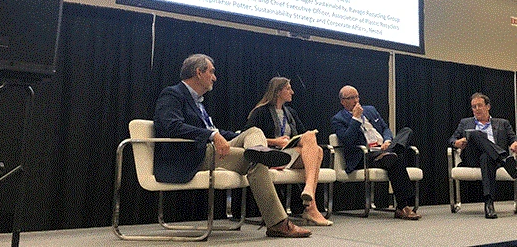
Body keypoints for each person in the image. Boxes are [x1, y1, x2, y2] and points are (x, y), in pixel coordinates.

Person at [153, 54, 311, 238]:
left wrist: (236, 136)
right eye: (211, 72)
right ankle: (277, 223)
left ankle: (259, 151)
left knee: (253, 131)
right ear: (198, 72)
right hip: (190, 156)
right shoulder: (173, 94)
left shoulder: (198, 102)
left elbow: (214, 130)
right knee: (256, 162)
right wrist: (212, 135)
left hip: (210, 150)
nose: (215, 77)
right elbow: (171, 125)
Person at [245, 77, 333, 226]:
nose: (292, 92)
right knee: (317, 151)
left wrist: (293, 141)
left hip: (288, 155)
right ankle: (311, 206)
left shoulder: (290, 112)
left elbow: (302, 135)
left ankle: (309, 192)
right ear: (278, 91)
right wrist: (276, 141)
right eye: (288, 88)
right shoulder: (260, 112)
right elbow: (247, 137)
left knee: (313, 142)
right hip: (271, 156)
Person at [331, 85, 421, 220]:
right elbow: (348, 140)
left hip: (383, 150)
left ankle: (392, 150)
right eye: (351, 98)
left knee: (406, 131)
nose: (356, 101)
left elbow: (385, 128)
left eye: (357, 97)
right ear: (343, 101)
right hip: (364, 155)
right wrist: (355, 119)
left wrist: (388, 140)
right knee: (395, 158)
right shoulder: (338, 119)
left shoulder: (370, 110)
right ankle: (403, 206)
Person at [449, 92, 517, 219]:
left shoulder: (502, 123)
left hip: (491, 160)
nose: (476, 109)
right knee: (476, 134)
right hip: (472, 158)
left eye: (479, 105)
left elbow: (515, 138)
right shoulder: (465, 122)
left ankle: (489, 203)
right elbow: (451, 139)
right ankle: (504, 159)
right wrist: (456, 143)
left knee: (486, 157)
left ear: (488, 106)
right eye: (473, 107)